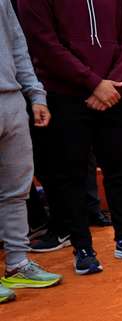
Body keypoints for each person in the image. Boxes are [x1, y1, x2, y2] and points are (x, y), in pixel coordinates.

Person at [19, 0, 122, 275]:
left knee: (119, 170)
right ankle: (82, 248)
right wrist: (93, 83)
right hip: (65, 96)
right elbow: (44, 44)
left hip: (114, 94)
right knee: (71, 175)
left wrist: (113, 84)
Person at [0, 0, 61, 302]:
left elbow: (18, 45)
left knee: (17, 189)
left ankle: (17, 263)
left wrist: (36, 94)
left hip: (11, 100)